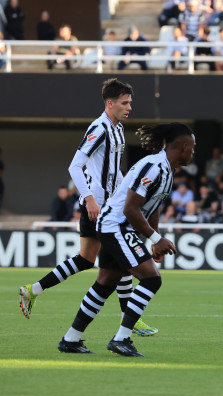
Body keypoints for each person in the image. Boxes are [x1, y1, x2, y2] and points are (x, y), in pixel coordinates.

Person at [19, 79, 158, 337]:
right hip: (98, 208)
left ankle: (33, 290)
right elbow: (74, 166)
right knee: (122, 260)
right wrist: (90, 198)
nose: (130, 107)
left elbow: (113, 169)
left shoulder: (117, 129)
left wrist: (124, 190)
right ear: (110, 103)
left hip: (107, 206)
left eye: (130, 102)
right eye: (125, 103)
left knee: (86, 260)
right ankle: (131, 320)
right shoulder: (100, 128)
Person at [57, 123, 195, 356]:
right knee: (151, 279)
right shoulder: (153, 166)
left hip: (119, 228)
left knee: (105, 284)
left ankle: (71, 339)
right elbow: (131, 209)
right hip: (116, 226)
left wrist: (154, 240)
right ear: (183, 146)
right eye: (192, 147)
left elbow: (153, 208)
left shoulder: (166, 170)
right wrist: (156, 238)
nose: (193, 152)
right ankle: (122, 339)